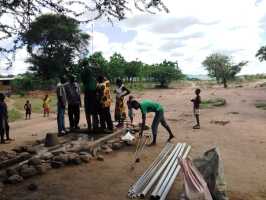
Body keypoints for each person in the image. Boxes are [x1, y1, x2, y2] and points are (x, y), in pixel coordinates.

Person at [81, 66, 99, 132]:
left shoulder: (86, 81)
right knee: (93, 113)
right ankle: (94, 126)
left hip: (89, 98)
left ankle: (90, 127)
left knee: (89, 113)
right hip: (92, 98)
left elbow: (83, 90)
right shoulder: (94, 80)